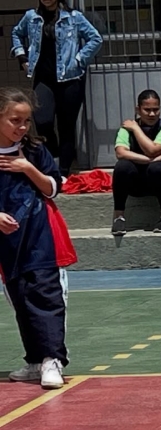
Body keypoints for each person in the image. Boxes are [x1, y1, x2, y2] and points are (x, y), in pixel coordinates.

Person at [0, 87, 76, 389]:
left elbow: (53, 188)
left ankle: (52, 359)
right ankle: (34, 359)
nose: (22, 127)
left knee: (46, 295)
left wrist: (27, 168)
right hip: (7, 243)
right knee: (19, 298)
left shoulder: (33, 151)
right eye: (14, 120)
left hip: (39, 236)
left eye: (26, 121)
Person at [11, 0, 102, 178]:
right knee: (42, 121)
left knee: (66, 126)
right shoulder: (31, 16)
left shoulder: (73, 17)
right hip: (43, 79)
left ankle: (63, 171)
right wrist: (22, 57)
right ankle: (52, 162)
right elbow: (16, 33)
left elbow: (95, 38)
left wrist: (79, 59)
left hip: (70, 79)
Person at [110, 89, 161, 236]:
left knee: (158, 167)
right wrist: (150, 160)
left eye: (156, 109)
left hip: (157, 183)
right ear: (138, 110)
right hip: (134, 183)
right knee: (122, 166)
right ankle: (119, 217)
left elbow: (152, 150)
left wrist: (135, 128)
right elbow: (120, 153)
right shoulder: (126, 129)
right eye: (147, 110)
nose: (152, 114)